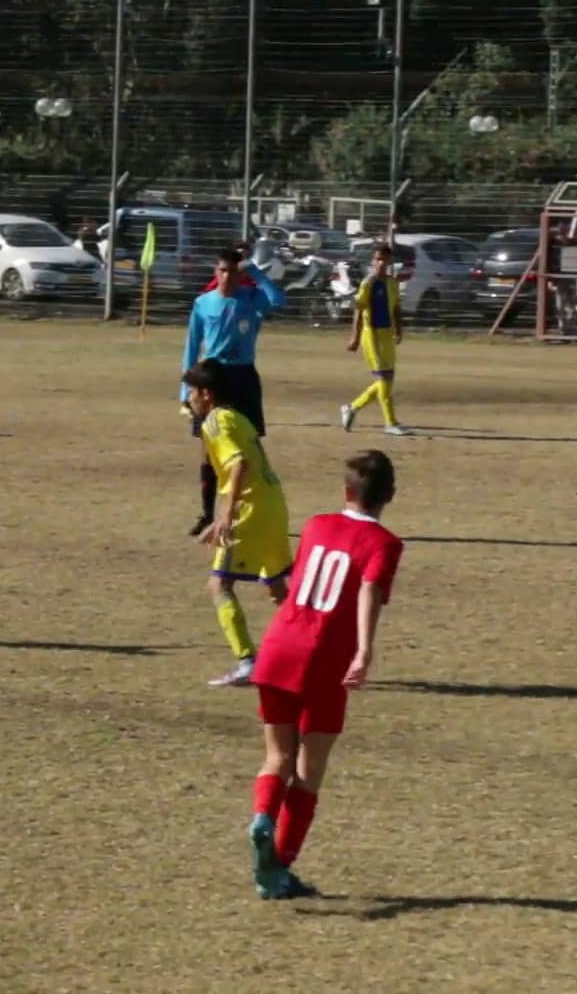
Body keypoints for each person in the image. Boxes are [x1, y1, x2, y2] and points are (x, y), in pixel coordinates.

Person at [245, 450, 404, 900]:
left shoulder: (316, 524)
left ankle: (261, 816)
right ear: (389, 496)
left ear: (346, 492)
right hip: (322, 661)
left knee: (277, 757)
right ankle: (278, 870)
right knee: (308, 772)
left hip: (278, 648)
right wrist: (365, 652)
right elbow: (369, 589)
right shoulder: (386, 544)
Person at [184, 358, 292, 688]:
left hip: (251, 508)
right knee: (277, 589)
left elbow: (238, 464)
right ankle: (318, 647)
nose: (188, 397)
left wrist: (226, 515)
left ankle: (247, 661)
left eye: (192, 391)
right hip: (274, 505)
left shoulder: (215, 422)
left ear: (207, 394)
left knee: (220, 585)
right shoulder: (239, 418)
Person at [180, 240, 286, 538]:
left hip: (243, 377)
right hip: (213, 377)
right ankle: (206, 514)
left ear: (241, 274)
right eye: (223, 271)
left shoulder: (251, 298)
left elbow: (278, 300)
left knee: (249, 446)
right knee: (209, 451)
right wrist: (184, 390)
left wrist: (255, 271)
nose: (227, 277)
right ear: (217, 271)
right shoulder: (203, 303)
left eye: (233, 272)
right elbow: (191, 346)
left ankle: (250, 510)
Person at [339, 244, 408, 437]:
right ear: (372, 261)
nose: (381, 263)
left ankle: (351, 408)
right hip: (372, 335)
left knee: (387, 380)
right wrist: (355, 337)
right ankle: (390, 423)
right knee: (383, 379)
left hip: (387, 335)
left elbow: (395, 307)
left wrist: (399, 330)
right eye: (377, 259)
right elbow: (359, 310)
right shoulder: (367, 283)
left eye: (384, 260)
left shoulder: (392, 283)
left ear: (389, 262)